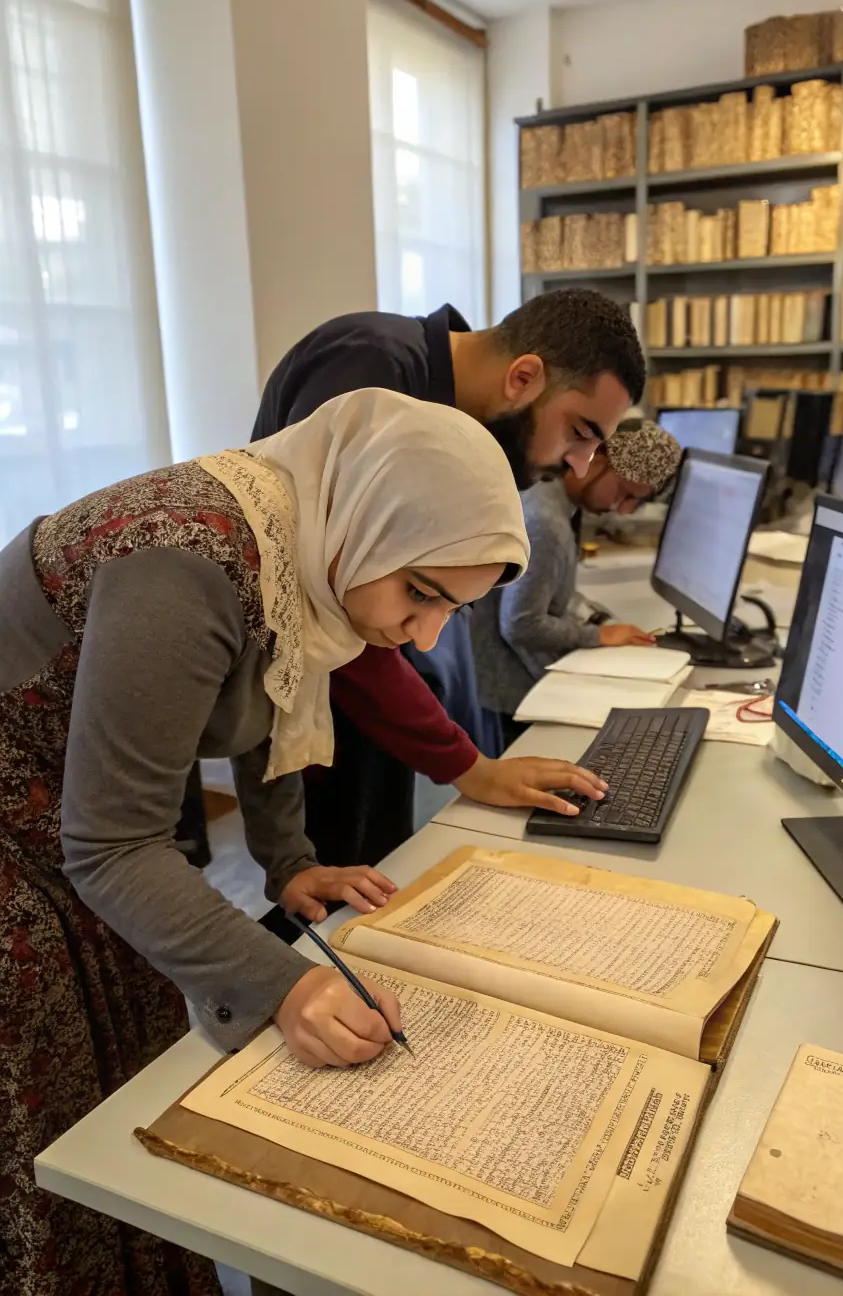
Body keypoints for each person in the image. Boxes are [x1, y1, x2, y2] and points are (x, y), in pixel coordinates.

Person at [0, 390, 541, 1296]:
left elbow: (271, 694)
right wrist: (289, 983)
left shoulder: (298, 538)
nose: (423, 635)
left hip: (74, 825)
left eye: (454, 610)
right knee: (62, 1125)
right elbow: (112, 849)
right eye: (420, 594)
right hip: (25, 851)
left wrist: (288, 863)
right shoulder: (184, 557)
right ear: (371, 513)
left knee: (133, 1070)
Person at [252, 289, 645, 873]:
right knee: (337, 885)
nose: (580, 464)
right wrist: (470, 766)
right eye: (579, 432)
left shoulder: (452, 408)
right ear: (524, 377)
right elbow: (336, 600)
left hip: (367, 685)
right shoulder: (372, 372)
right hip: (329, 693)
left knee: (381, 869)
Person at [471, 420, 682, 745]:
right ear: (597, 458)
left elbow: (550, 592)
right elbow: (520, 624)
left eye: (636, 502)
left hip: (509, 685)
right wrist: (598, 634)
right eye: (624, 492)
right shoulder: (546, 522)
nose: (624, 510)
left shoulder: (548, 498)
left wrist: (602, 623)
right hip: (512, 698)